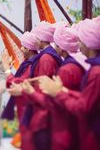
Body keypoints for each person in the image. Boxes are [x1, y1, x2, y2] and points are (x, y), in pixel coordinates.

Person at [37, 18, 100, 150]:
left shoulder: (91, 72)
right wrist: (64, 91)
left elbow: (83, 107)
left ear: (88, 43)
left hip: (82, 134)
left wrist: (57, 92)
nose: (79, 45)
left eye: (80, 41)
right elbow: (86, 98)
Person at [19, 26, 85, 150]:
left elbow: (50, 98)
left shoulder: (50, 61)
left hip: (57, 125)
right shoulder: (70, 64)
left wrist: (31, 91)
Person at [2, 31, 40, 150]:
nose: (21, 48)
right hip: (22, 105)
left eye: (23, 46)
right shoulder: (27, 63)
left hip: (26, 105)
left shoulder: (31, 64)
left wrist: (7, 69)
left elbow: (18, 83)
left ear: (29, 49)